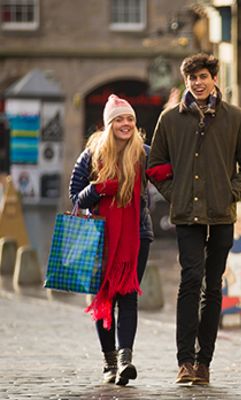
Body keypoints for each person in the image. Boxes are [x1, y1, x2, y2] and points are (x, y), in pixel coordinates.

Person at [147, 53, 241, 385]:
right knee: (190, 282)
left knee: (213, 287)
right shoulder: (169, 120)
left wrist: (230, 193)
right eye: (192, 78)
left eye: (203, 77)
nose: (198, 83)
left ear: (214, 79)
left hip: (222, 215)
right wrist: (176, 194)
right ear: (186, 82)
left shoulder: (236, 118)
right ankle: (184, 362)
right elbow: (155, 166)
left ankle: (204, 362)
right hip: (186, 216)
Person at [69, 94, 153, 386]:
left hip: (137, 235)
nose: (126, 124)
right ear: (109, 124)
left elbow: (165, 175)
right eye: (120, 119)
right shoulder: (91, 155)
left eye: (130, 119)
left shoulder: (143, 153)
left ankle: (125, 360)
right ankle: (109, 361)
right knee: (104, 298)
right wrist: (99, 188)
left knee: (128, 296)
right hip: (99, 236)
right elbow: (76, 198)